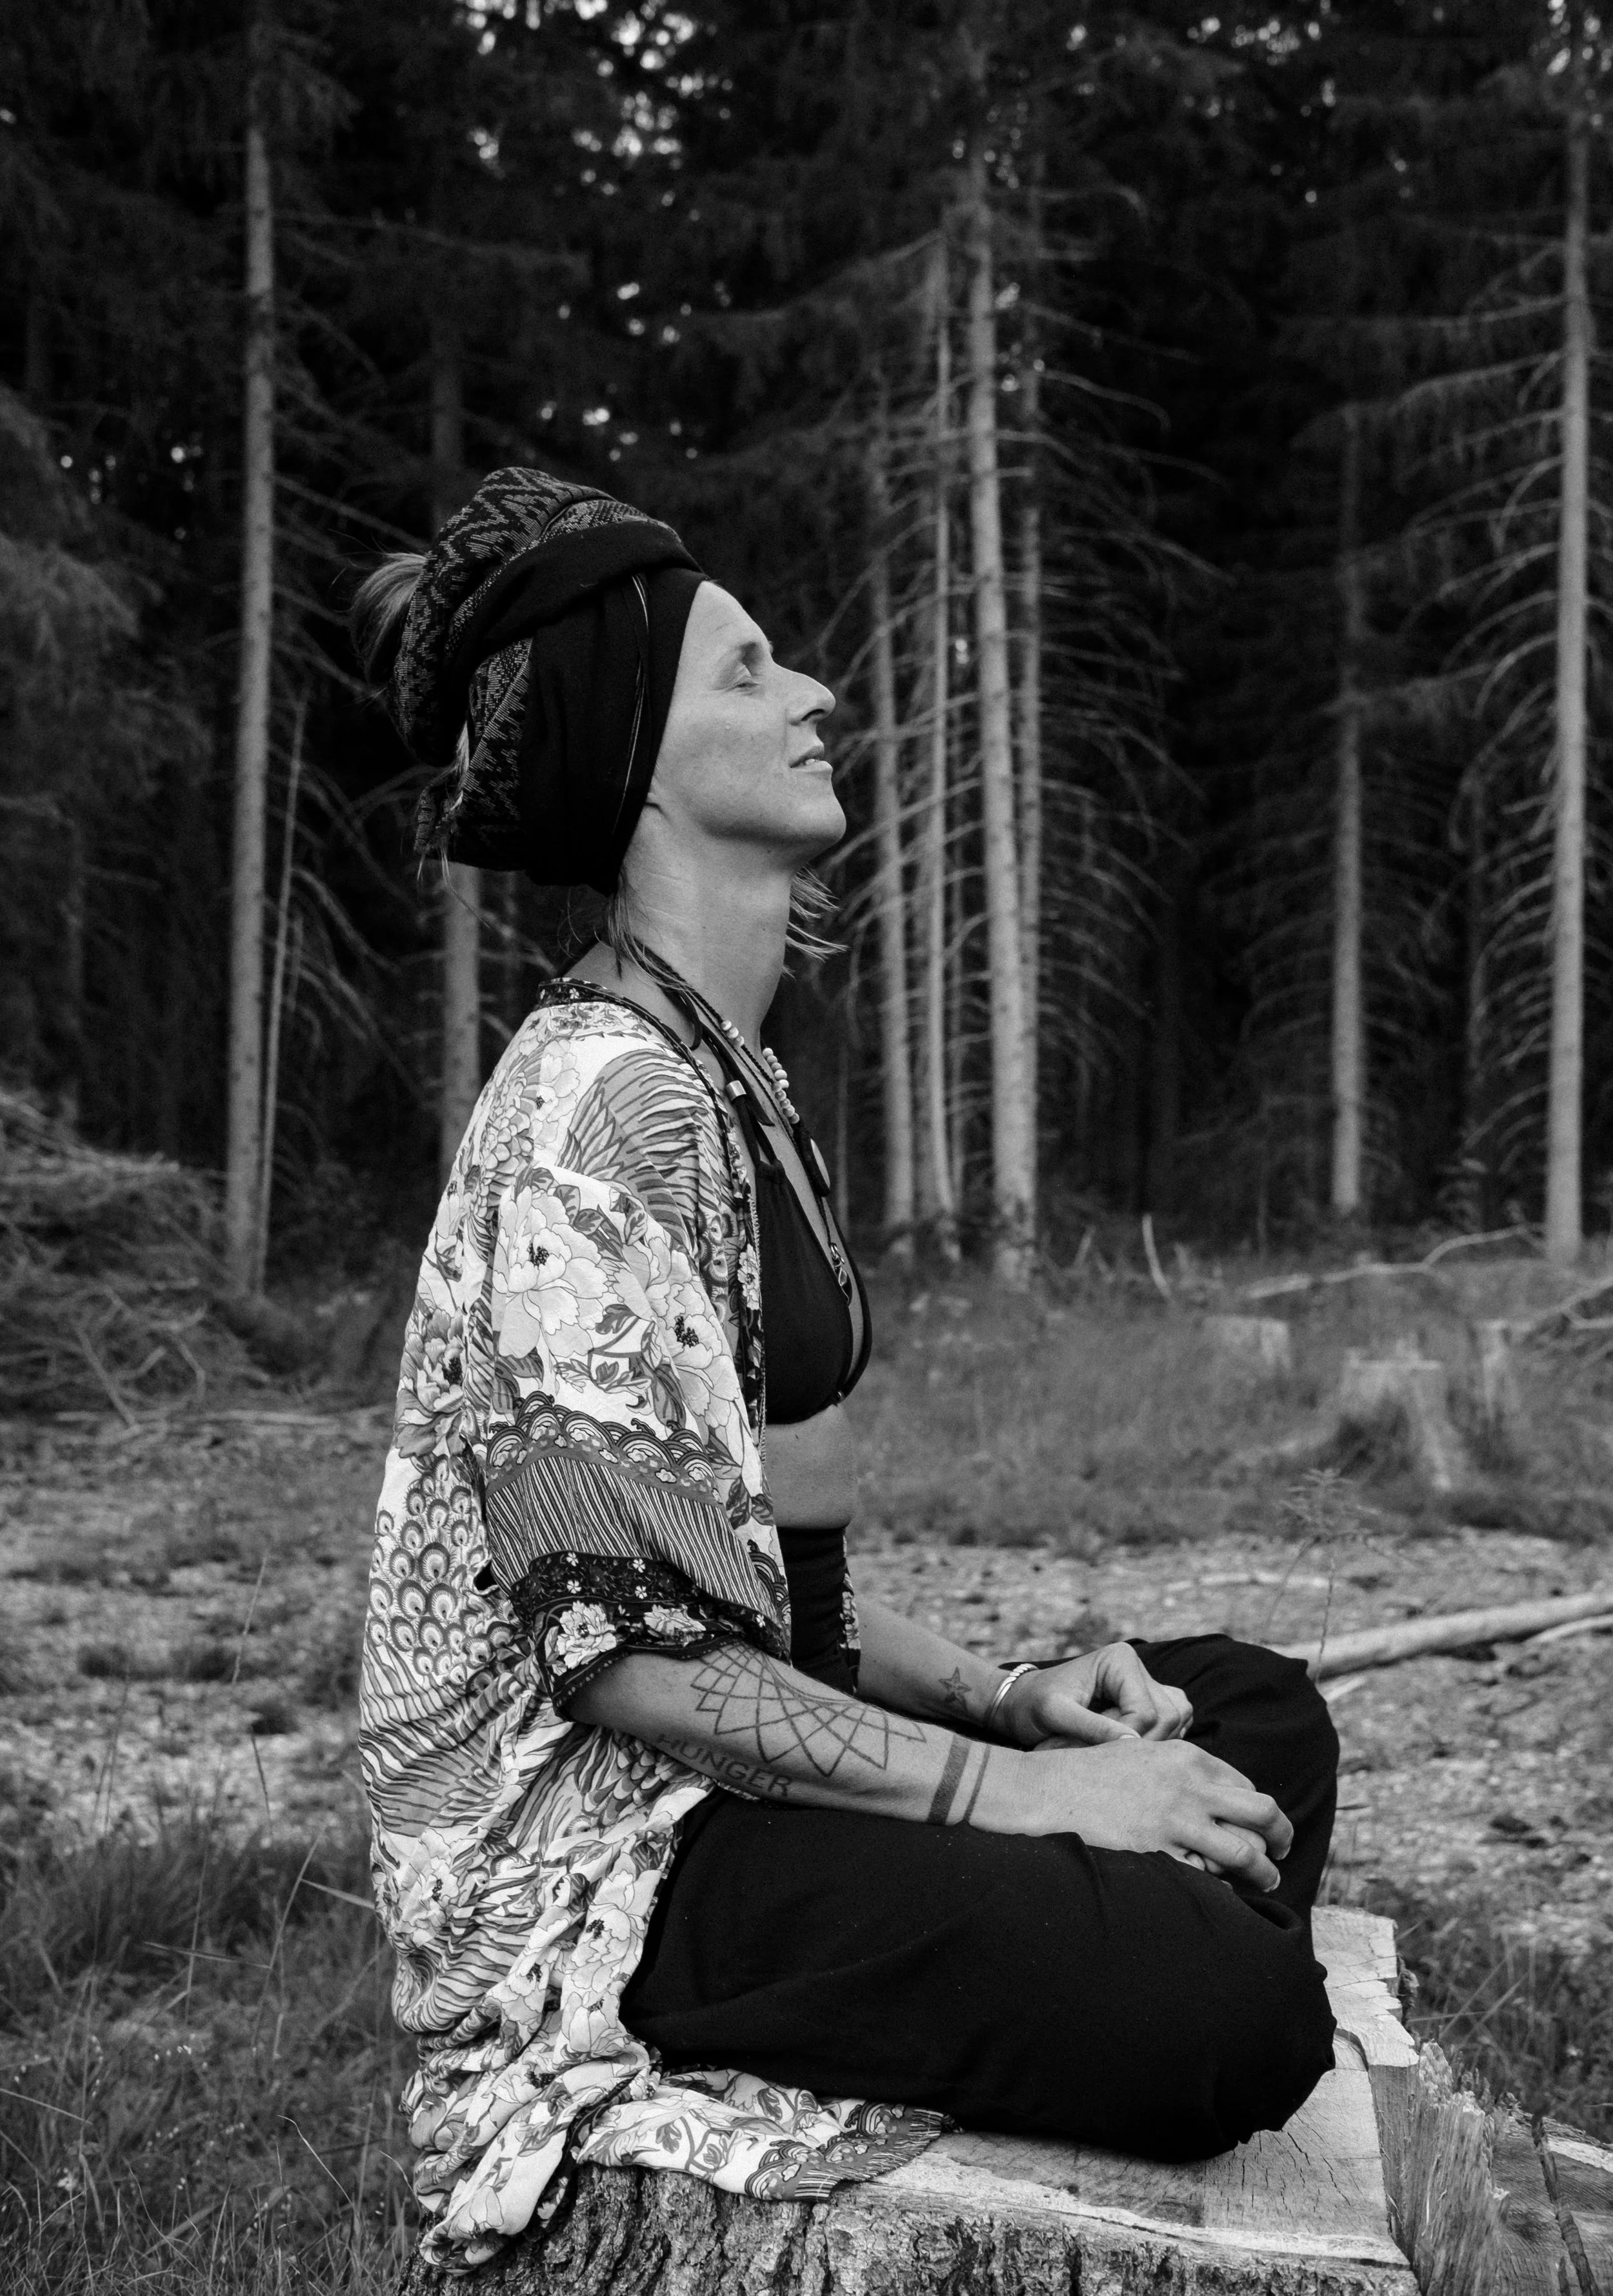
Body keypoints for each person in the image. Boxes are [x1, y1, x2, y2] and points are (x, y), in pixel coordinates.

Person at [351, 468, 1339, 2275]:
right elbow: (634, 1661)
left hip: (722, 1775)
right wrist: (1014, 1798)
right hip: (595, 1875)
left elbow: (780, 1600)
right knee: (1227, 2006)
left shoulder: (734, 1084)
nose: (813, 695)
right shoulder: (596, 1100)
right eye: (746, 675)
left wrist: (1015, 1698)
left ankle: (1056, 1956)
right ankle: (1088, 1975)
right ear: (639, 764)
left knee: (1246, 1710)